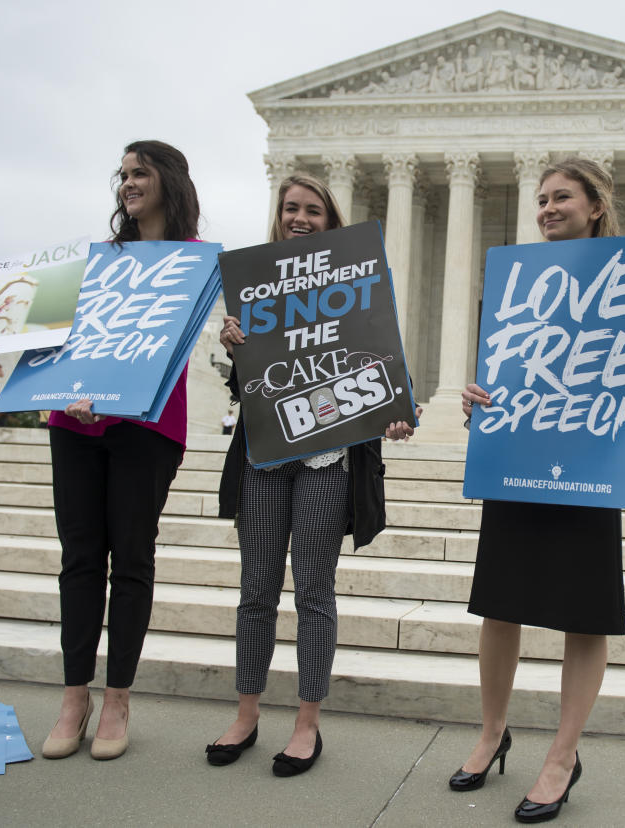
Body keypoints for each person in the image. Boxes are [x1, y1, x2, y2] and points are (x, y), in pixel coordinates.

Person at [457, 158, 625, 824]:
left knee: (585, 614)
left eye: (562, 198)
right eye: (542, 198)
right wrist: (479, 405)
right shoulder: (512, 290)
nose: (548, 208)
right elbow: (505, 384)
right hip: (520, 461)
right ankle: (493, 733)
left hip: (591, 468)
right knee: (500, 604)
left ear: (596, 207)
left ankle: (563, 754)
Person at [210, 174, 420, 776]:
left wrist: (392, 414)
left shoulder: (356, 287)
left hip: (328, 460)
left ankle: (307, 724)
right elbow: (247, 386)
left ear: (331, 224)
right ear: (278, 217)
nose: (299, 218)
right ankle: (246, 713)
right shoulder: (253, 292)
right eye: (290, 209)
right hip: (266, 456)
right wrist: (236, 347)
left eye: (313, 212)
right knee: (256, 587)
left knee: (314, 592)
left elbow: (373, 361)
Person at [38, 140, 201, 761]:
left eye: (141, 172)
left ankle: (118, 697)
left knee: (131, 558)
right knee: (80, 558)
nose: (129, 183)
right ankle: (73, 696)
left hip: (148, 424)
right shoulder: (97, 260)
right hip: (74, 420)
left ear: (168, 181)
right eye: (124, 174)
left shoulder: (197, 262)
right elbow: (41, 324)